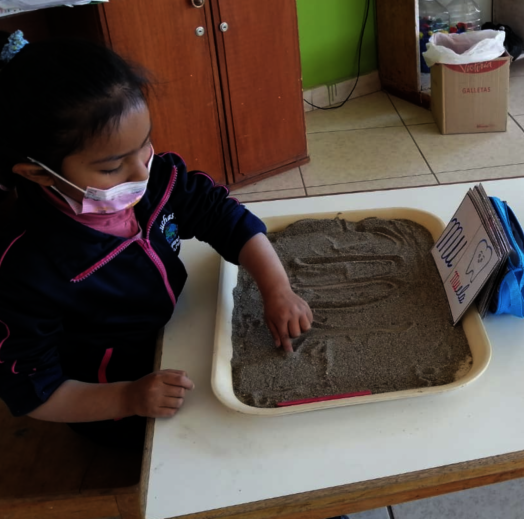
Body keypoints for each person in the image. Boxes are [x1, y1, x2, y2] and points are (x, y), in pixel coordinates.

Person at [0, 34, 313, 447]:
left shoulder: (158, 177)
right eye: (112, 167)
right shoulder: (27, 269)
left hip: (179, 333)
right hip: (113, 398)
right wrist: (128, 397)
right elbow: (33, 389)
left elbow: (221, 215)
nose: (140, 173)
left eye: (145, 143)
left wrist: (277, 289)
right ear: (39, 173)